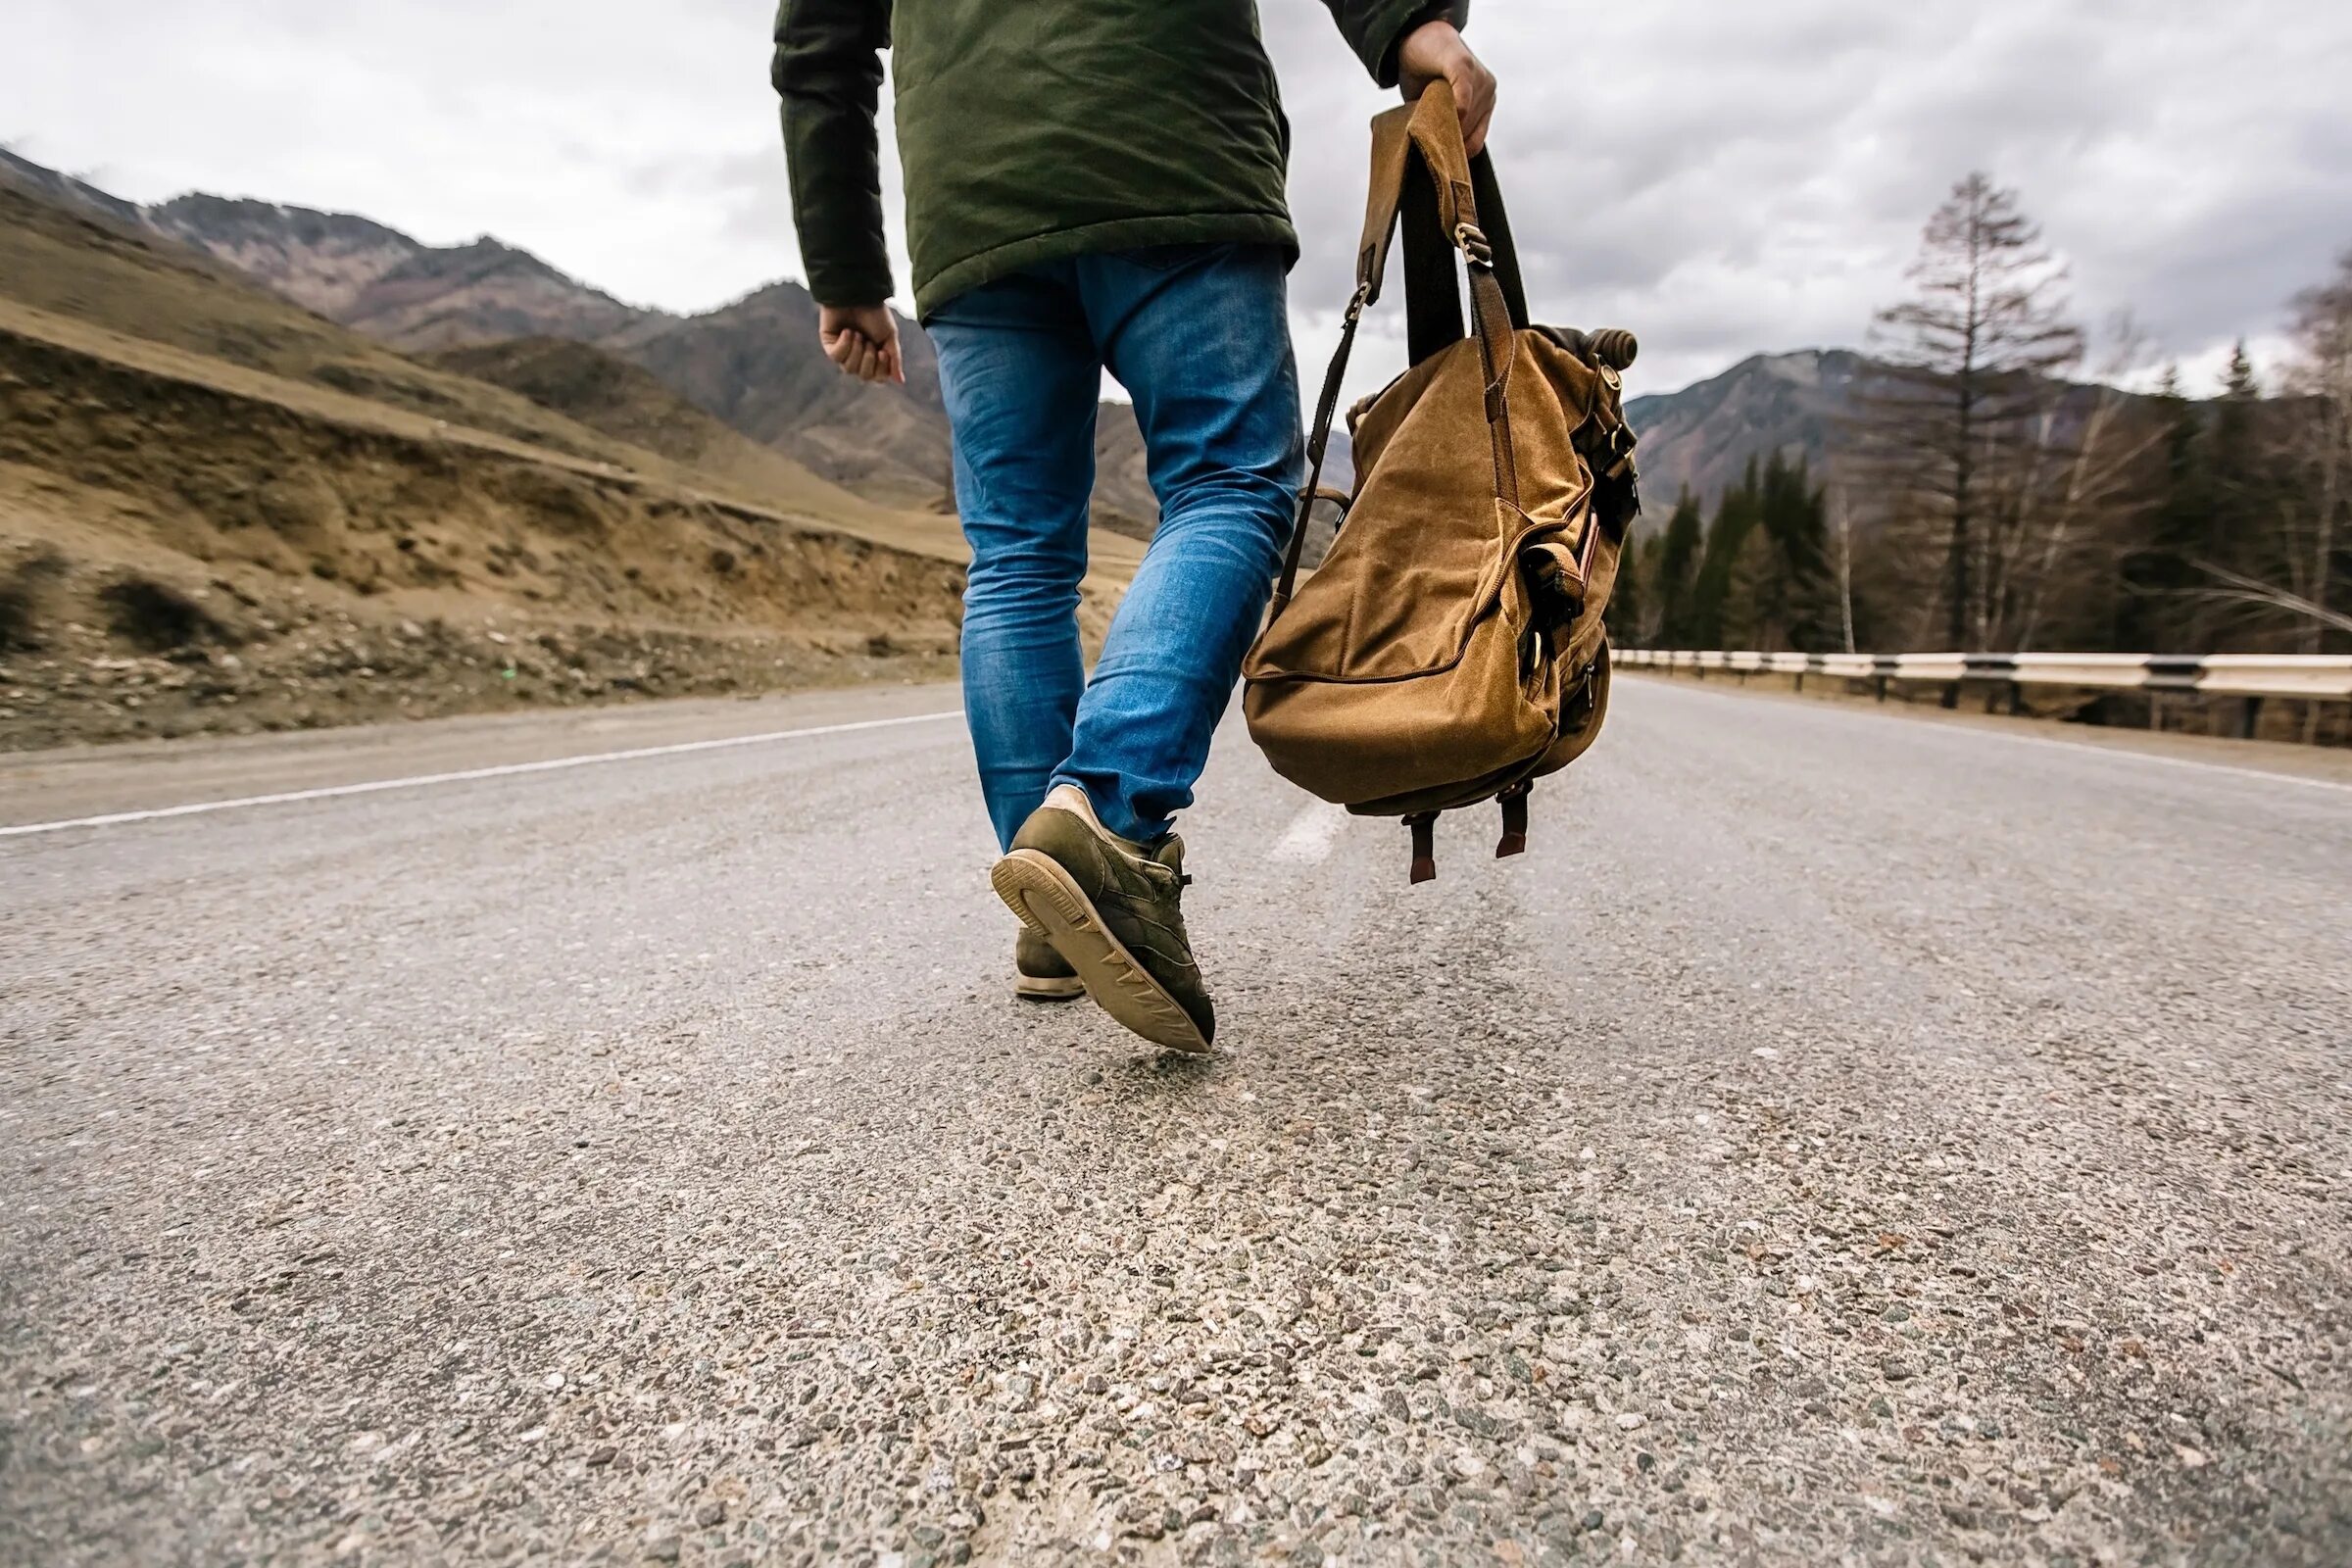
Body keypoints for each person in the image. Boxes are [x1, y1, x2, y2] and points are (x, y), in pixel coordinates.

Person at [773, 1, 1495, 1053]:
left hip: (974, 199)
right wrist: (1410, 24)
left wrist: (844, 272)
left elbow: (819, 45)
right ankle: (1105, 818)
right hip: (1170, 147)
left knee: (1017, 555)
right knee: (1232, 482)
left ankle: (1053, 917)